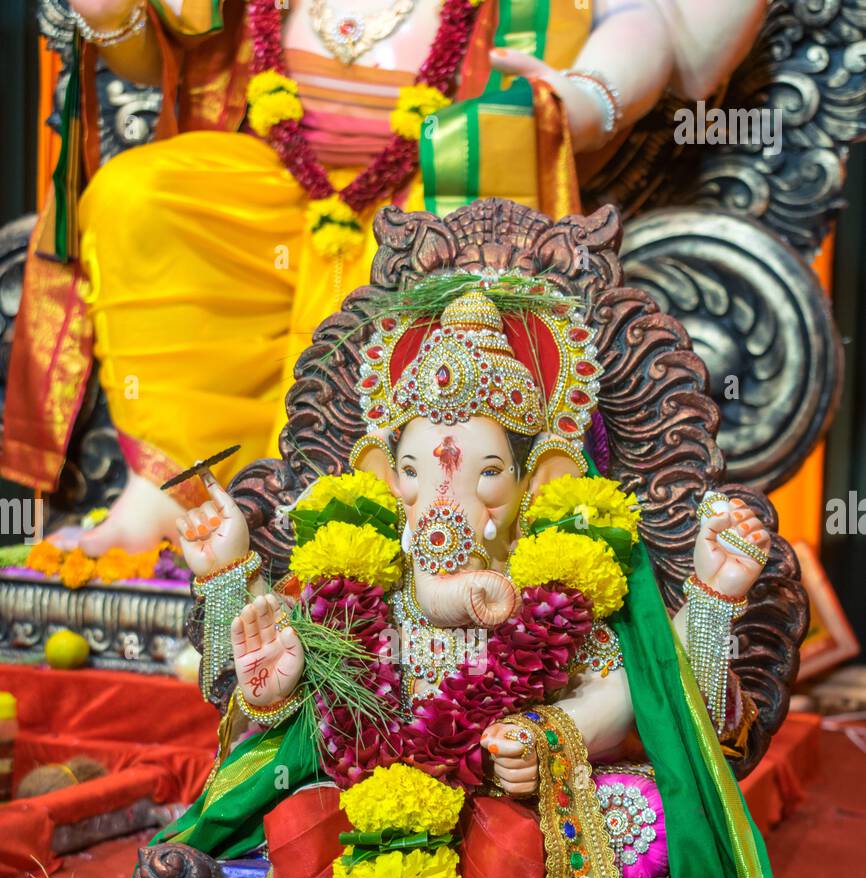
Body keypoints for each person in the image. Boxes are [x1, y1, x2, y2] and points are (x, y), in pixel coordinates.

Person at [116, 278, 815, 878]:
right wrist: (242, 598)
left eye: (484, 473)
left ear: (537, 484)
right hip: (370, 798)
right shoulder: (359, 592)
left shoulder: (555, 593)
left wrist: (700, 609)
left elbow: (664, 712)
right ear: (385, 480)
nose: (441, 503)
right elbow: (277, 720)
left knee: (526, 842)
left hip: (505, 809)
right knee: (298, 820)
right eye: (415, 472)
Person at [1, 0, 769, 554]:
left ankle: (357, 519)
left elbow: (652, 24)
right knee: (142, 198)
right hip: (270, 182)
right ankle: (174, 486)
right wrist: (112, 15)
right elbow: (169, 40)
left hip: (429, 183)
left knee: (438, 259)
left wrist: (581, 97)